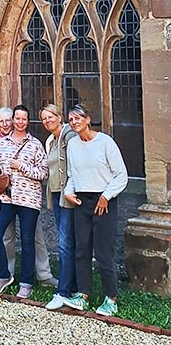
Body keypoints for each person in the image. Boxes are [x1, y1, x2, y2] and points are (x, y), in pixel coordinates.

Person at [62, 103, 128, 317]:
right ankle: (83, 294)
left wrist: (105, 197)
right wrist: (68, 192)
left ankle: (111, 298)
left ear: (88, 119)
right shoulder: (72, 144)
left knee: (103, 252)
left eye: (78, 118)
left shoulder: (105, 142)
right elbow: (72, 175)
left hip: (104, 201)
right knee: (82, 249)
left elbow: (121, 175)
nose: (75, 122)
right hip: (81, 201)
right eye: (71, 120)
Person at [0, 106, 57, 287]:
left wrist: (22, 166)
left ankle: (26, 282)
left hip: (29, 199)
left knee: (28, 240)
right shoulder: (2, 143)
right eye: (17, 118)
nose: (20, 122)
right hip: (6, 198)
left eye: (23, 119)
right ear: (13, 120)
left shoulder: (35, 144)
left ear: (28, 121)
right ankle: (3, 275)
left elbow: (44, 173)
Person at [40, 103, 78, 311]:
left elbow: (74, 166)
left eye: (50, 117)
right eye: (44, 119)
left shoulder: (69, 136)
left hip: (67, 196)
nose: (47, 121)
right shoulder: (50, 141)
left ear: (59, 116)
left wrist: (70, 191)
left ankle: (63, 291)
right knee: (66, 241)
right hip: (55, 195)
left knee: (64, 242)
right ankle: (72, 286)